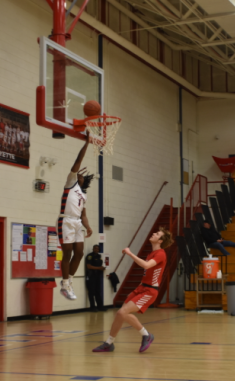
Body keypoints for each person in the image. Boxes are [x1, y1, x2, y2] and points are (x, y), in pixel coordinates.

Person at [93, 228, 172, 353]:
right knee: (121, 314)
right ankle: (109, 343)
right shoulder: (151, 253)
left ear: (160, 240)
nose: (153, 233)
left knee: (121, 313)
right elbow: (148, 273)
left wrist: (130, 253)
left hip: (150, 291)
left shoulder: (161, 253)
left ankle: (146, 335)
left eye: (157, 234)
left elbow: (146, 266)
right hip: (142, 287)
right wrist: (136, 289)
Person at [58, 137, 94, 300]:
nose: (79, 174)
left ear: (84, 181)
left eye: (81, 175)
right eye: (78, 173)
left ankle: (69, 282)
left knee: (79, 253)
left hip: (78, 222)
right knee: (67, 253)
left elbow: (83, 214)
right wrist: (86, 144)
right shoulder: (70, 183)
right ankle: (64, 283)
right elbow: (78, 161)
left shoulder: (83, 194)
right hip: (66, 220)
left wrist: (88, 226)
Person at [86, 244, 105, 312]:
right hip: (91, 276)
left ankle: (100, 306)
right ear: (93, 249)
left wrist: (101, 268)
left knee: (98, 291)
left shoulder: (99, 256)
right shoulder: (90, 256)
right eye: (95, 248)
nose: (96, 249)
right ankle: (92, 307)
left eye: (97, 248)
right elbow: (89, 266)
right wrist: (99, 268)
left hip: (97, 276)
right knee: (91, 292)